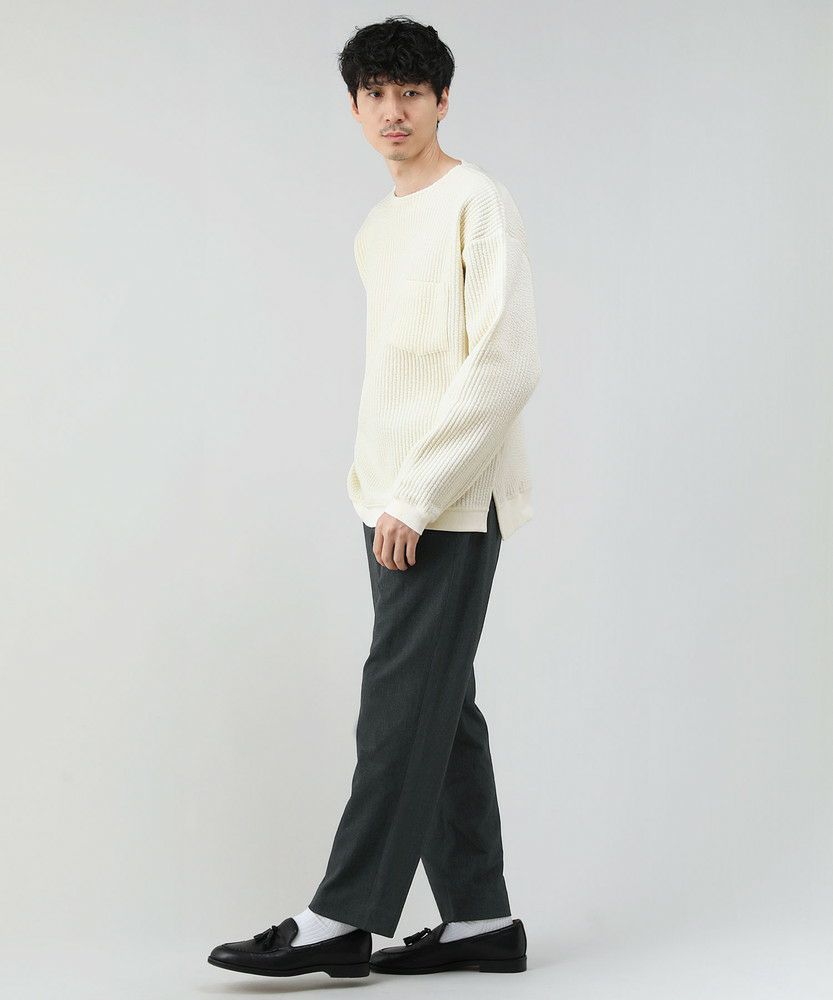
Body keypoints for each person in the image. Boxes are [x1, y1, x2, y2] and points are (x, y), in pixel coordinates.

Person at [208, 15, 541, 979]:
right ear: (354, 108)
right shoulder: (377, 227)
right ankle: (482, 922)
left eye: (411, 93)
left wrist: (420, 492)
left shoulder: (478, 202)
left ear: (442, 101)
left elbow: (505, 363)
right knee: (440, 706)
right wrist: (380, 491)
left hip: (446, 502)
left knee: (399, 704)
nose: (393, 111)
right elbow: (399, 373)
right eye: (375, 95)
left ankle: (341, 918)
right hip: (390, 502)